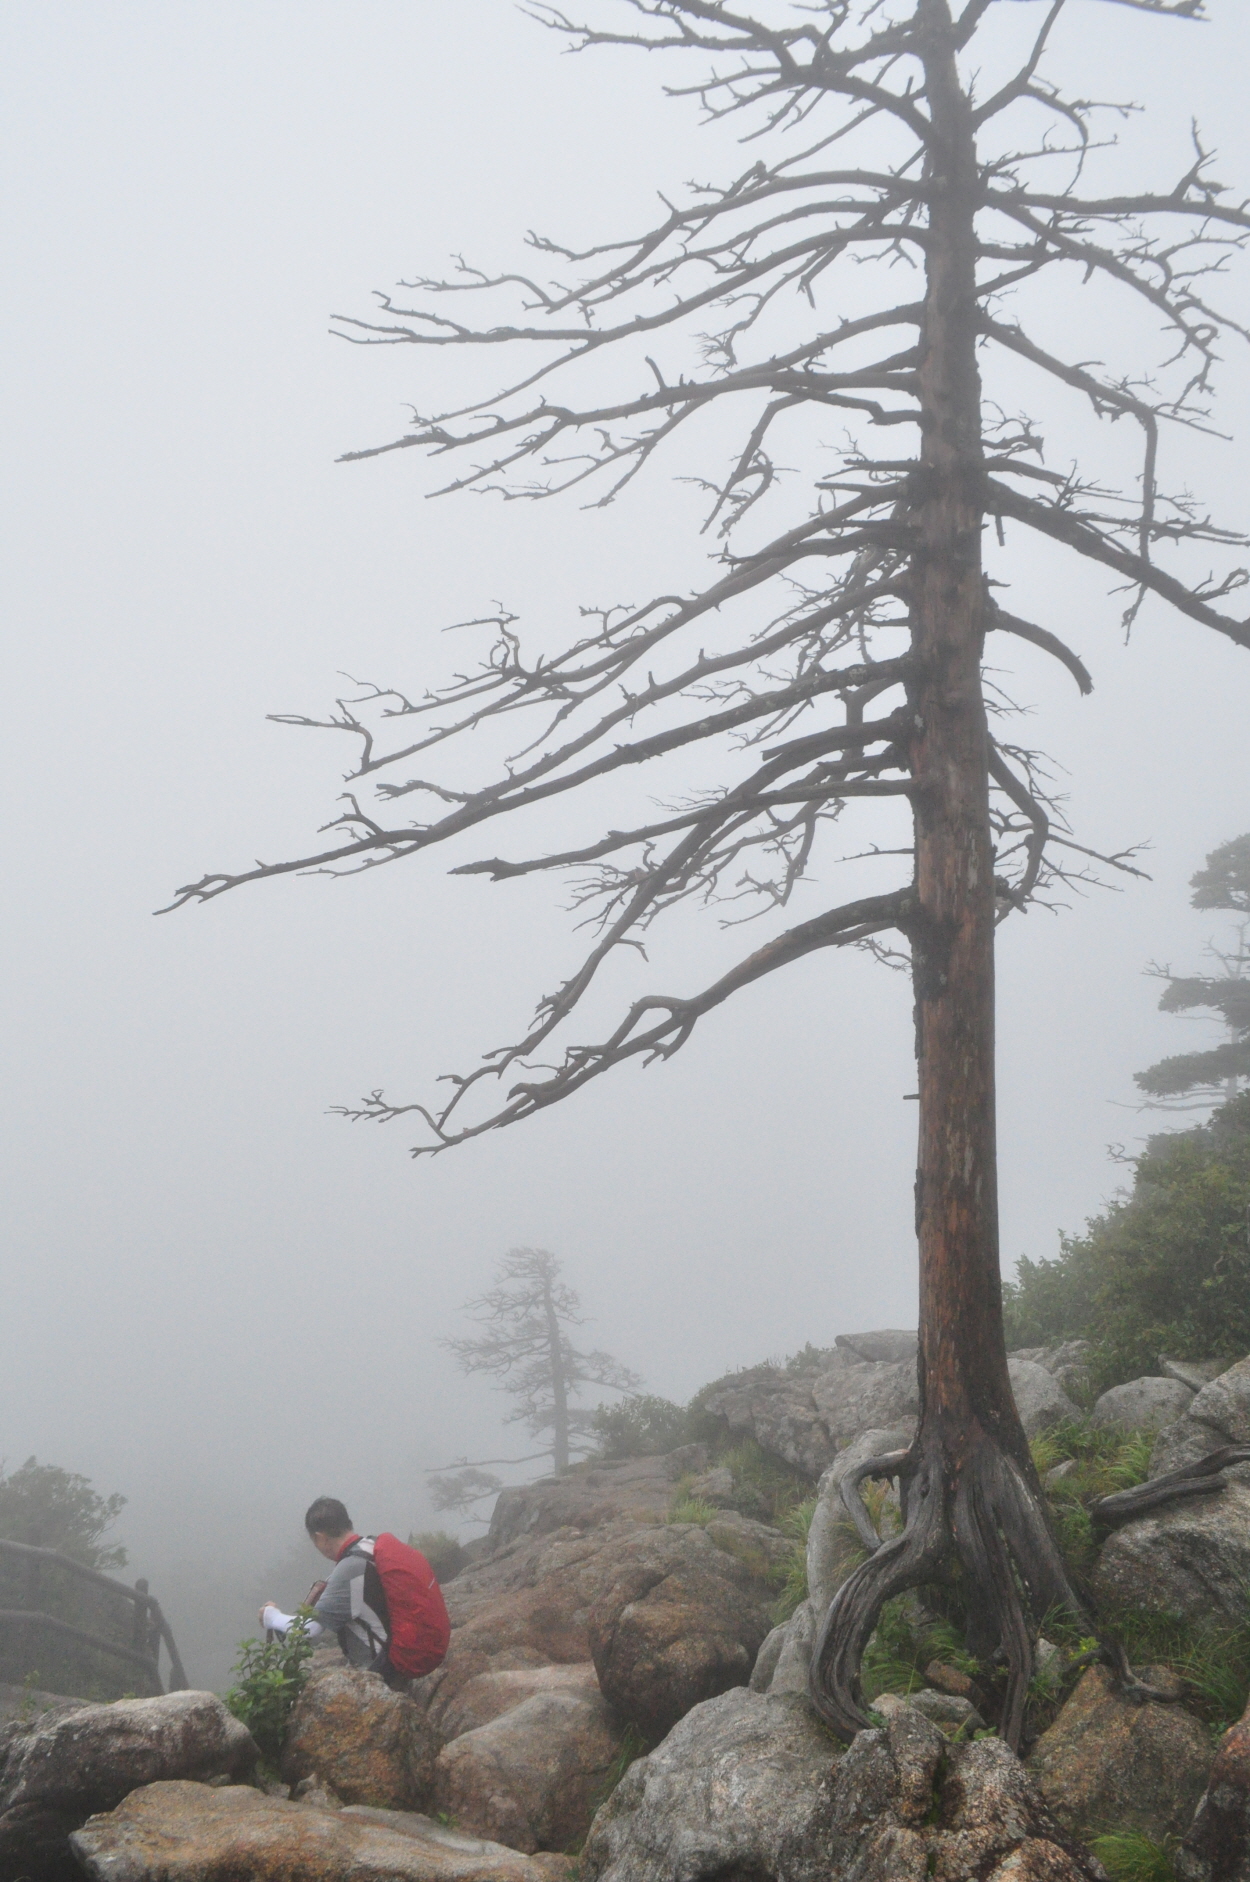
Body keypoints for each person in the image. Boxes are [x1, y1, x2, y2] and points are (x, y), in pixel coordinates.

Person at [259, 1496, 449, 1691]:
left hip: (378, 1673)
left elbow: (310, 1628)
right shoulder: (372, 1546)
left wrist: (271, 1617)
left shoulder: (350, 1568)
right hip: (395, 1660)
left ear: (320, 1537)